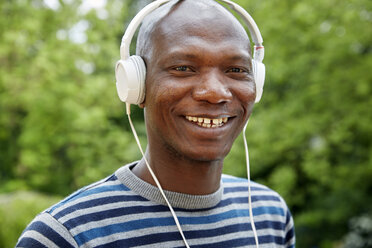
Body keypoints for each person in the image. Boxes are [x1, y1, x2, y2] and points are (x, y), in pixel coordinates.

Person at [16, 0, 295, 247]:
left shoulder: (269, 214)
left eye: (236, 70)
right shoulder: (65, 235)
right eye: (183, 68)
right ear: (136, 86)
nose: (215, 92)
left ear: (256, 84)